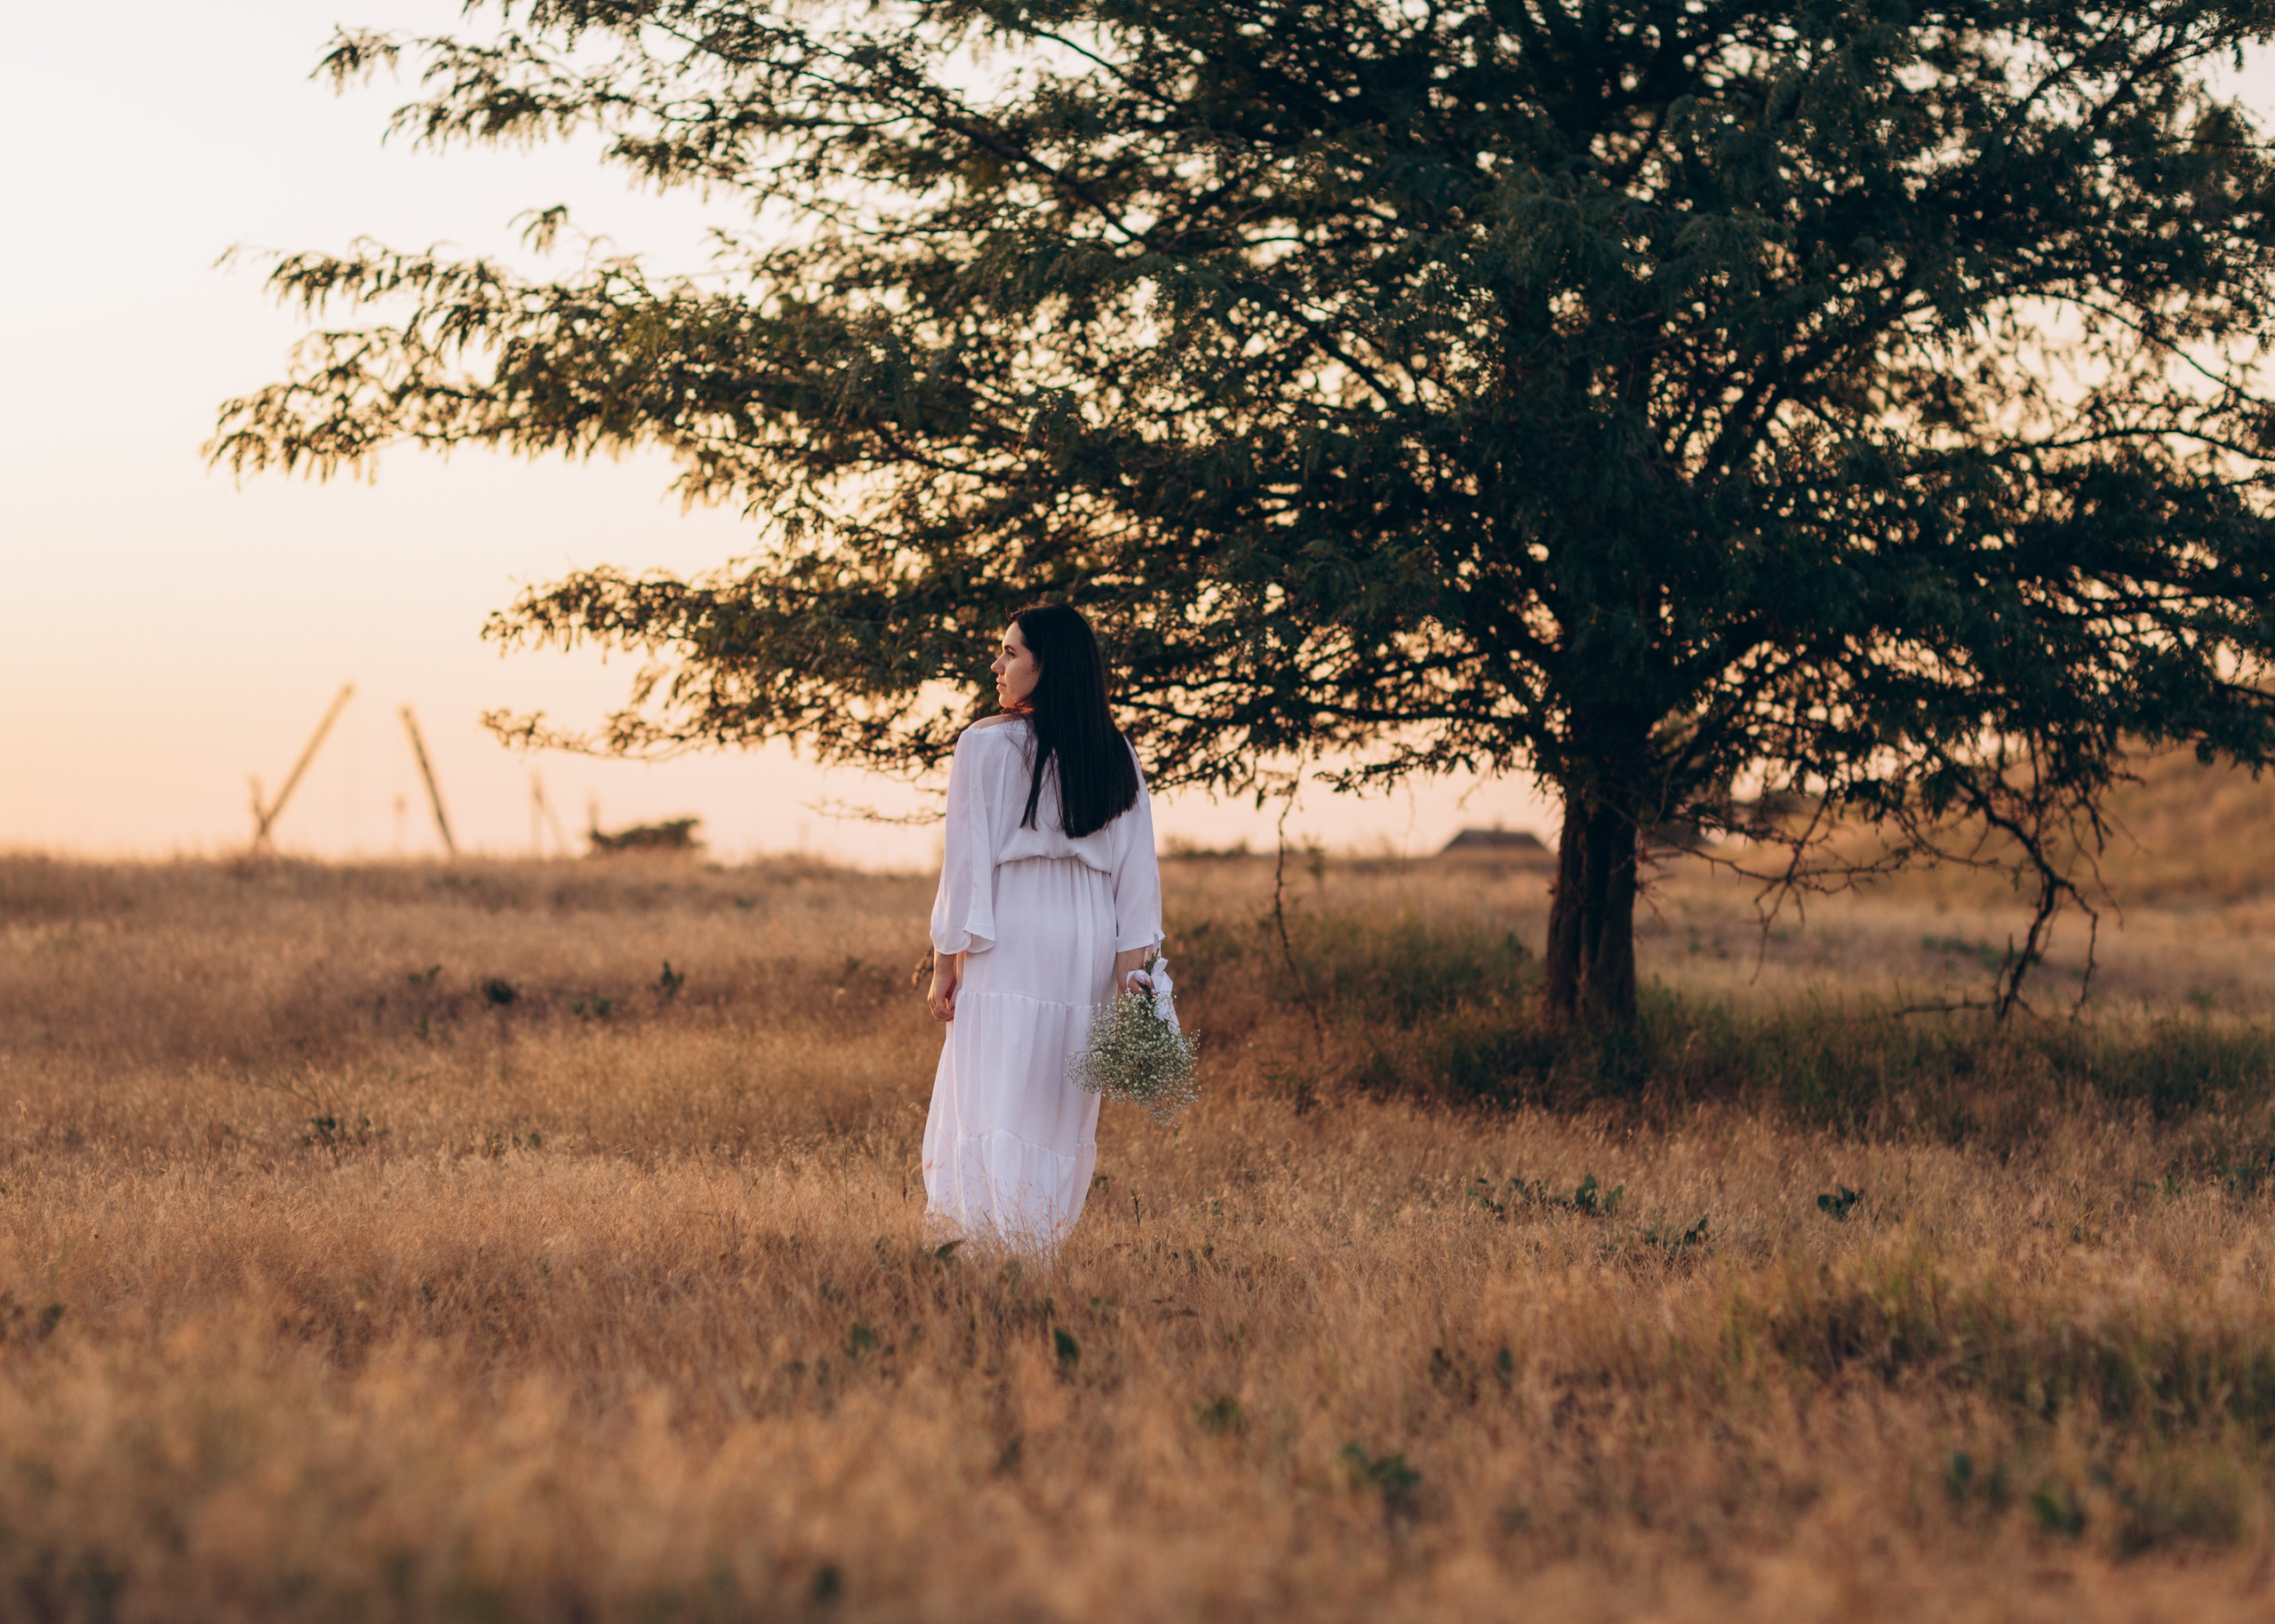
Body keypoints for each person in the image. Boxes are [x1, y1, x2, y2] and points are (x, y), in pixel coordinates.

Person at [922, 602, 1162, 1251]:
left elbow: (966, 865)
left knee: (992, 1091)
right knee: (1057, 1107)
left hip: (1013, 929)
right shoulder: (1113, 751)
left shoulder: (983, 744)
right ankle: (1035, 1248)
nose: (997, 665)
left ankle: (982, 1249)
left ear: (1045, 666)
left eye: (1011, 653)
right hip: (1088, 933)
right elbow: (1136, 877)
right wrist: (1134, 982)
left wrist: (946, 963)